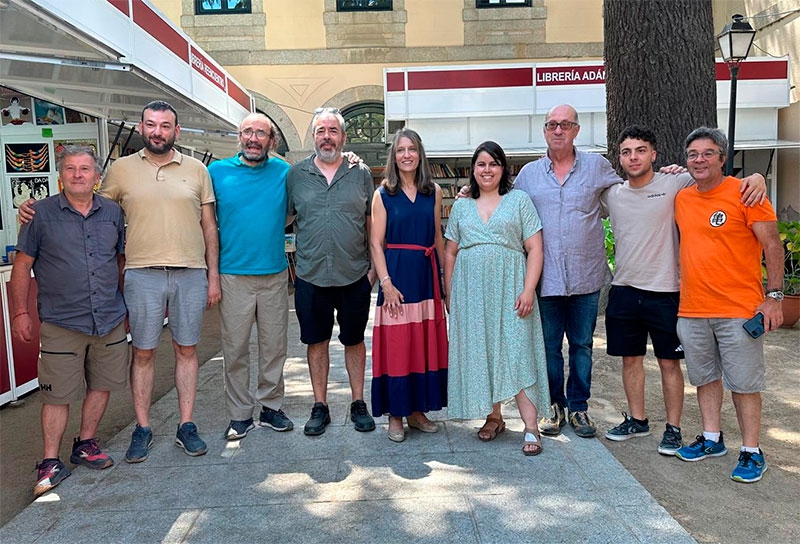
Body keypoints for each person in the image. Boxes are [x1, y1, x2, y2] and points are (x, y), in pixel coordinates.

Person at [22, 101, 222, 460]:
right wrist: (34, 209)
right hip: (140, 272)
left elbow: (209, 226)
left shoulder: (197, 170)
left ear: (177, 131)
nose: (157, 131)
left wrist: (213, 276)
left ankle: (186, 425)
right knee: (142, 352)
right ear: (142, 128)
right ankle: (142, 427)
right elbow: (86, 205)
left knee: (186, 349)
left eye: (165, 125)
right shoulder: (119, 171)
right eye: (150, 124)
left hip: (191, 272)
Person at [601, 126, 766, 455]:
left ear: (654, 155)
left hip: (666, 291)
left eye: (641, 150)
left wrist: (758, 176)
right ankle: (637, 419)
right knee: (630, 360)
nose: (633, 157)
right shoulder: (612, 194)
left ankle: (674, 429)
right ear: (619, 158)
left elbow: (716, 179)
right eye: (627, 152)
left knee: (668, 363)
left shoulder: (676, 182)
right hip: (623, 289)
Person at [10, 146, 128, 497]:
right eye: (71, 169)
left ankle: (86, 444)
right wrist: (20, 312)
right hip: (62, 320)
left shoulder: (112, 213)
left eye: (85, 169)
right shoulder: (40, 215)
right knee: (57, 394)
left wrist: (125, 303)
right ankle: (50, 461)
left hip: (108, 317)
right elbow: (21, 267)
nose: (78, 174)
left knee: (102, 384)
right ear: (60, 176)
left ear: (97, 176)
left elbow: (119, 260)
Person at [673, 127, 783, 484]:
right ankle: (711, 438)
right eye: (693, 154)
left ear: (723, 158)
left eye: (707, 153)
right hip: (692, 308)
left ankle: (751, 450)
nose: (699, 160)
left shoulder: (747, 193)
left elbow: (772, 247)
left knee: (745, 384)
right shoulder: (683, 197)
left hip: (739, 309)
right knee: (704, 378)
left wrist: (774, 297)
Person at [513, 104, 620, 439]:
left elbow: (631, 192)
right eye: (551, 125)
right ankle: (553, 406)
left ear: (576, 130)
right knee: (547, 346)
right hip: (545, 279)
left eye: (565, 125)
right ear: (545, 131)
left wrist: (674, 175)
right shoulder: (528, 175)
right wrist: (469, 196)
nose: (557, 130)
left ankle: (579, 407)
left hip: (586, 276)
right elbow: (507, 208)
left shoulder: (597, 167)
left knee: (582, 345)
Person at [444, 141, 550, 456]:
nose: (487, 170)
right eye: (481, 164)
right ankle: (494, 417)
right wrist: (451, 294)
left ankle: (531, 426)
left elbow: (535, 249)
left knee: (517, 352)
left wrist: (529, 289)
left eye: (493, 164)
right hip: (471, 293)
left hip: (512, 289)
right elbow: (450, 252)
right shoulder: (461, 206)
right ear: (473, 170)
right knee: (485, 352)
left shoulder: (519, 201)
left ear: (503, 168)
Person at [286, 107, 376, 436]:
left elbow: (370, 223)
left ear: (343, 137)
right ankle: (320, 405)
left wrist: (373, 274)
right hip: (311, 276)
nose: (327, 136)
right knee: (316, 341)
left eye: (333, 131)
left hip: (354, 276)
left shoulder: (360, 173)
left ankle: (357, 402)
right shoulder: (295, 175)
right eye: (321, 130)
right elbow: (284, 219)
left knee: (354, 341)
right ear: (313, 137)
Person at [208, 113, 294, 441]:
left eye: (261, 133)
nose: (254, 138)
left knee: (274, 347)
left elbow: (294, 208)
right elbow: (204, 219)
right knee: (235, 348)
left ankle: (271, 407)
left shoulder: (285, 172)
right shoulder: (216, 172)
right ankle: (240, 414)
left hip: (273, 274)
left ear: (271, 141)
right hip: (232, 276)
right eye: (248, 132)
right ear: (239, 137)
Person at [369, 128, 448, 443]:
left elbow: (438, 238)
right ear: (394, 155)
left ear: (420, 153)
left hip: (426, 276)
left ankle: (417, 412)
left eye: (411, 149)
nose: (406, 155)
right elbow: (376, 244)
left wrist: (444, 280)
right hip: (397, 277)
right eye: (400, 150)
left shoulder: (434, 192)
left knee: (422, 345)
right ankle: (396, 415)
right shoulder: (383, 194)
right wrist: (386, 283)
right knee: (398, 346)